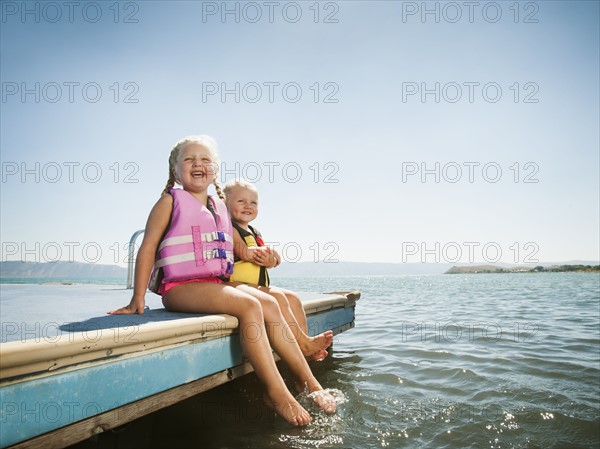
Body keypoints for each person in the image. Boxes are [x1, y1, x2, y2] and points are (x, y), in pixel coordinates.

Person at [108, 135, 335, 426]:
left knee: (268, 301)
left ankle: (309, 382)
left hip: (214, 284)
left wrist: (265, 256)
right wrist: (137, 299)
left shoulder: (219, 208)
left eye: (205, 160)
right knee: (251, 307)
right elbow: (148, 246)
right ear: (175, 170)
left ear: (214, 169)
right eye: (189, 159)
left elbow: (240, 251)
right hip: (181, 288)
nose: (198, 164)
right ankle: (277, 393)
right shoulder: (169, 201)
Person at [223, 179, 333, 361]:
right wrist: (266, 255)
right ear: (225, 204)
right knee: (280, 298)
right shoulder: (228, 227)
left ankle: (303, 346)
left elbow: (275, 260)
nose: (248, 206)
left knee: (293, 298)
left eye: (253, 202)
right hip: (237, 287)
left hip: (256, 287)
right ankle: (305, 345)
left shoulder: (254, 232)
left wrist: (271, 258)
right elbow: (245, 252)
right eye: (241, 201)